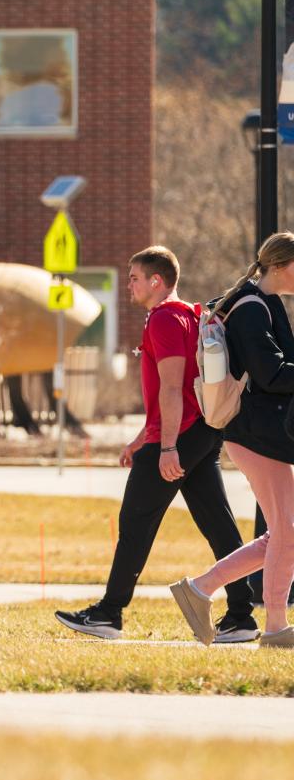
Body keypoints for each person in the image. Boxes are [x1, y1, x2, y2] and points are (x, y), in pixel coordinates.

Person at [56, 247, 256, 642]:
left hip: (179, 435)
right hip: (199, 430)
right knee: (218, 523)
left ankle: (108, 614)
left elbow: (170, 386)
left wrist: (165, 448)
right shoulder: (189, 314)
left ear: (156, 281)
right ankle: (242, 617)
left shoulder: (164, 318)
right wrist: (141, 438)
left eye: (133, 277)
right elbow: (179, 389)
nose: (128, 284)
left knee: (135, 524)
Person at [171, 233, 294, 648]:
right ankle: (276, 628)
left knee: (281, 532)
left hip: (262, 433)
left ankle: (200, 588)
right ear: (281, 266)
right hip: (256, 434)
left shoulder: (265, 304)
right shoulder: (251, 309)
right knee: (288, 531)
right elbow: (271, 375)